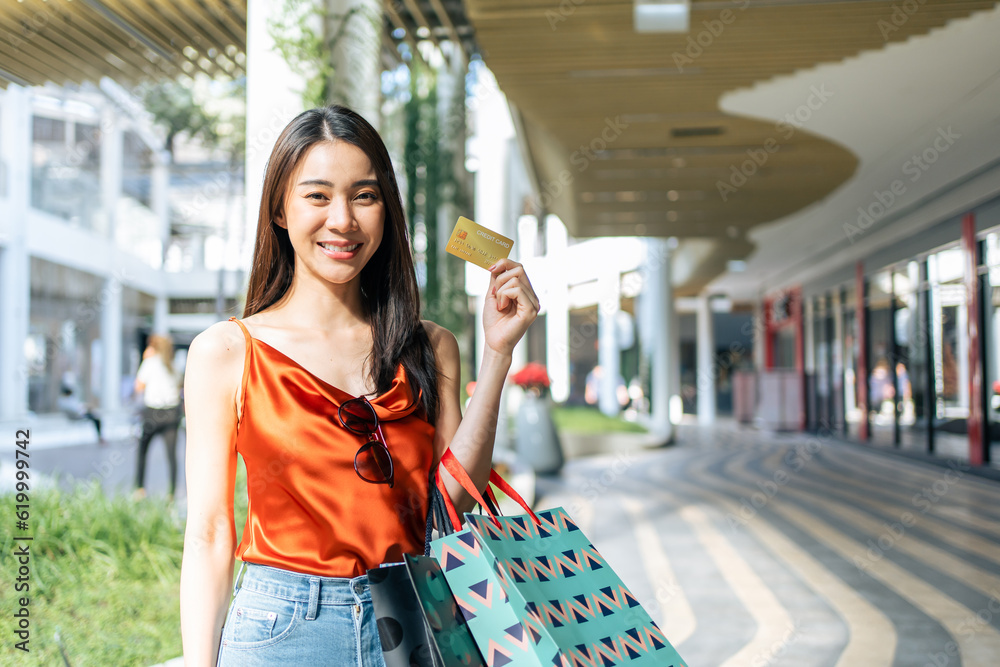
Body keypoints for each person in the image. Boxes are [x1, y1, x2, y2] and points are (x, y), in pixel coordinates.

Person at [179, 105, 538, 667]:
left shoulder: (430, 346)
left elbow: (453, 502)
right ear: (280, 208)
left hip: (419, 615)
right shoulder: (225, 352)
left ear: (386, 209)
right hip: (283, 629)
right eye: (317, 196)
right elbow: (209, 530)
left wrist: (497, 353)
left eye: (364, 196)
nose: (342, 220)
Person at [133, 333, 183, 501]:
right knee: (171, 455)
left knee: (142, 450)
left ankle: (140, 489)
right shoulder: (174, 365)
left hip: (152, 413)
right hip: (172, 413)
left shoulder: (150, 363)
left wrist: (145, 359)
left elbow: (139, 387)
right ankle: (172, 493)